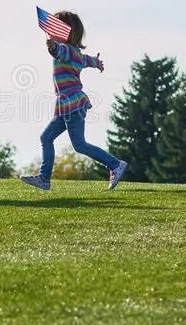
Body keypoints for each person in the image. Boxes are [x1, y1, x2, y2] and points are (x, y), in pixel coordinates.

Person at [20, 11, 127, 191]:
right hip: (65, 107)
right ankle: (44, 179)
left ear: (66, 31)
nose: (52, 28)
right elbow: (87, 60)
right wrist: (97, 63)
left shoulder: (67, 50)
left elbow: (58, 51)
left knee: (79, 145)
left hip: (72, 105)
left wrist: (52, 46)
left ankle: (115, 164)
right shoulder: (76, 53)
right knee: (46, 137)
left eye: (57, 25)